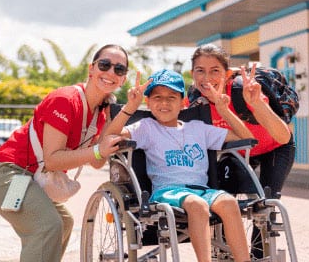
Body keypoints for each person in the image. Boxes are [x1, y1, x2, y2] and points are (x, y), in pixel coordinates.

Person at [0, 44, 131, 261]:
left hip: (27, 178)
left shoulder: (100, 113)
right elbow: (52, 160)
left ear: (123, 79)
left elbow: (97, 161)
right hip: (6, 175)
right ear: (91, 68)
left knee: (64, 223)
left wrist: (128, 110)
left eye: (119, 69)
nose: (110, 73)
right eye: (105, 65)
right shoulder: (66, 100)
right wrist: (98, 150)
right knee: (47, 225)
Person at [106, 69, 252, 262]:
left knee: (229, 202)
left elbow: (247, 138)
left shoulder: (198, 128)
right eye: (157, 97)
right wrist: (130, 108)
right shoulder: (146, 127)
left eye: (171, 97)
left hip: (202, 190)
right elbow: (110, 137)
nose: (164, 103)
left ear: (182, 102)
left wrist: (224, 111)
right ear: (148, 102)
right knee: (197, 205)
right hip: (167, 191)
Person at [186, 44, 296, 259]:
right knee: (222, 200)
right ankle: (228, 254)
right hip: (239, 149)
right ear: (192, 74)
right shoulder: (194, 102)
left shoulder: (243, 91)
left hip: (275, 147)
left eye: (215, 70)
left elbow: (283, 137)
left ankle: (259, 255)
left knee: (264, 202)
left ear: (227, 74)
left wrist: (256, 103)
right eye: (200, 70)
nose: (206, 77)